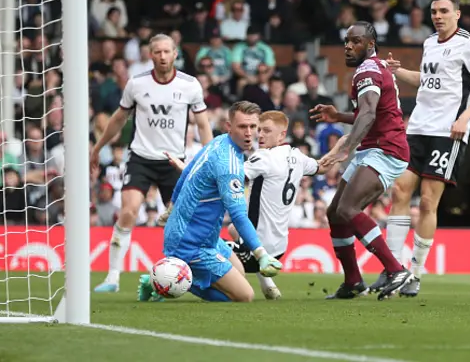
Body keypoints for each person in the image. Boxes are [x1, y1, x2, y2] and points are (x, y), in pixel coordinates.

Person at [372, 0, 470, 296]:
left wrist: (464, 118)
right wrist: (396, 71)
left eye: (443, 11)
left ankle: (414, 274)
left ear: (457, 14)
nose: (437, 16)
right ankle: (392, 270)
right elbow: (425, 81)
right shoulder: (429, 43)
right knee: (400, 190)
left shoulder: (469, 43)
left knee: (427, 200)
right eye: (434, 12)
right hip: (418, 129)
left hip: (447, 132)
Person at [165, 110, 348, 300]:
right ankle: (267, 282)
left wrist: (186, 169)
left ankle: (173, 279)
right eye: (259, 130)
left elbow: (225, 175)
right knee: (234, 229)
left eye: (266, 131)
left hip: (256, 250)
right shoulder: (297, 156)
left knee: (208, 253)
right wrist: (340, 149)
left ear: (281, 135)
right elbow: (322, 166)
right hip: (280, 248)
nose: (260, 135)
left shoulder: (263, 158)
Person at [90, 34, 214, 293]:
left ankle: (172, 278)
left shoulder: (190, 85)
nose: (162, 56)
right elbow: (118, 118)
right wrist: (98, 147)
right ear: (150, 54)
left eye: (166, 51)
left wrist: (210, 155)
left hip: (174, 162)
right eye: (157, 51)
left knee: (178, 224)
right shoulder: (136, 84)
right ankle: (112, 277)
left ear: (175, 53)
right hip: (141, 158)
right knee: (129, 211)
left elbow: (202, 124)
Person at [137, 101, 283, 302]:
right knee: (244, 296)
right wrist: (261, 254)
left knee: (239, 272)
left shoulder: (219, 142)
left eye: (253, 127)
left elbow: (187, 172)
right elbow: (239, 215)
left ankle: (167, 277)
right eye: (242, 127)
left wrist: (171, 206)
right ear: (229, 127)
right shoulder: (228, 164)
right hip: (190, 243)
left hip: (205, 237)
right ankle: (163, 282)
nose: (249, 133)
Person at [310, 21, 413, 301]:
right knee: (335, 213)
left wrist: (347, 148)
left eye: (355, 41)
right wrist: (338, 116)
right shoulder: (373, 69)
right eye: (346, 40)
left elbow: (367, 114)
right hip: (374, 147)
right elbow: (370, 112)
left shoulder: (367, 70)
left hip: (386, 148)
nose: (348, 46)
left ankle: (396, 269)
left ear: (370, 44)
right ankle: (353, 281)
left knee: (347, 208)